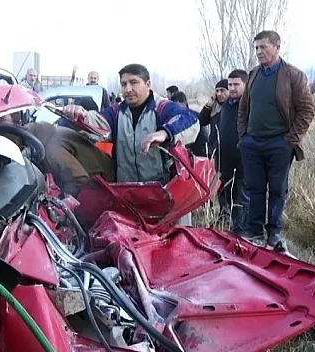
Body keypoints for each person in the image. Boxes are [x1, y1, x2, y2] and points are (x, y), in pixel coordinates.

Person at [49, 63, 198, 196]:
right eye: (124, 84)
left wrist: (165, 133)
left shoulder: (161, 107)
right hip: (125, 192)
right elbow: (97, 122)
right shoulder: (116, 112)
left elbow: (190, 120)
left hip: (160, 192)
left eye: (134, 83)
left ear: (148, 84)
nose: (128, 89)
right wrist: (81, 115)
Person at [238, 30, 315, 249]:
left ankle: (274, 233)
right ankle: (254, 231)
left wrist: (290, 140)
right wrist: (243, 136)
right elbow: (244, 107)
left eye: (263, 47)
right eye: (256, 48)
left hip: (279, 144)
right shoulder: (253, 74)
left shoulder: (292, 75)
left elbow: (307, 109)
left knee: (277, 189)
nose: (259, 52)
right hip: (252, 143)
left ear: (277, 47)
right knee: (254, 188)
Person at [217, 69, 250, 235]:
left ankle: (242, 234)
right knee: (228, 196)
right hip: (226, 162)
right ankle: (234, 229)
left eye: (236, 84)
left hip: (245, 162)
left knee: (243, 199)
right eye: (230, 84)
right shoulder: (225, 107)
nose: (232, 88)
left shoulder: (250, 105)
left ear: (245, 84)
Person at [199, 79, 229, 158]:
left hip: (228, 150)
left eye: (222, 90)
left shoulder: (235, 107)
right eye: (217, 91)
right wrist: (208, 105)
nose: (219, 94)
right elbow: (202, 121)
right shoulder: (214, 107)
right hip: (213, 150)